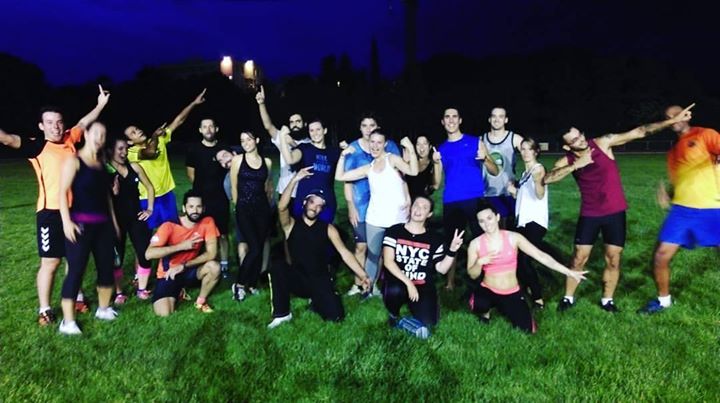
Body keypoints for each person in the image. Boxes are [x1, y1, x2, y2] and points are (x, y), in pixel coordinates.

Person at [544, 104, 695, 313]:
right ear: (567, 146)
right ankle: (568, 297)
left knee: (613, 259)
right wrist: (576, 166)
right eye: (574, 141)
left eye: (580, 135)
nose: (581, 141)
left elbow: (640, 131)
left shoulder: (603, 143)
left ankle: (607, 300)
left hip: (615, 212)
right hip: (590, 214)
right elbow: (547, 179)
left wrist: (672, 121)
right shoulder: (566, 160)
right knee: (579, 258)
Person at [0, 84, 109, 325]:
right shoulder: (36, 146)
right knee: (51, 262)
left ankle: (76, 297)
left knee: (75, 260)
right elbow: (6, 138)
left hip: (76, 211)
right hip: (49, 213)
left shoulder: (71, 137)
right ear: (41, 126)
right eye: (49, 122)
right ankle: (45, 309)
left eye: (59, 122)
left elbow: (83, 122)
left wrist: (100, 105)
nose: (56, 126)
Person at [639, 104, 719, 314]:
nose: (673, 118)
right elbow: (680, 181)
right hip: (682, 211)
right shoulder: (673, 152)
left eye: (677, 114)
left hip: (713, 208)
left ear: (687, 115)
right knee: (661, 256)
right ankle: (664, 301)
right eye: (668, 117)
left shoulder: (705, 134)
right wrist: (668, 194)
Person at [267, 168, 371, 328]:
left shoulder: (328, 229)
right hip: (298, 278)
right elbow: (281, 207)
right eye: (312, 202)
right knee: (278, 266)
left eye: (319, 205)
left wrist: (363, 275)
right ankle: (282, 314)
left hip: (319, 279)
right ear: (305, 202)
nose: (314, 207)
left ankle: (316, 302)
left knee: (336, 317)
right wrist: (295, 180)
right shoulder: (291, 225)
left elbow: (344, 253)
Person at [467, 202, 587, 333]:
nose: (486, 224)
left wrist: (568, 272)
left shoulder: (513, 238)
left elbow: (541, 256)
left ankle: (506, 305)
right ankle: (484, 311)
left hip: (510, 292)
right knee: (481, 304)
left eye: (489, 218)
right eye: (482, 221)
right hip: (488, 289)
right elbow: (472, 274)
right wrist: (479, 262)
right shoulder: (475, 244)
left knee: (527, 330)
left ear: (497, 217)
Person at [335, 132, 418, 296]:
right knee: (373, 256)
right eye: (372, 142)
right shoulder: (369, 167)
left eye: (379, 142)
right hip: (375, 219)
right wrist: (343, 156)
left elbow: (413, 171)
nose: (375, 146)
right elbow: (340, 176)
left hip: (397, 219)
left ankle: (403, 288)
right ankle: (369, 289)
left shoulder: (392, 160)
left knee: (399, 256)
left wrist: (410, 149)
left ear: (385, 144)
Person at [58, 121, 120, 335]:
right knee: (76, 271)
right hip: (80, 226)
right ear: (85, 134)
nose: (99, 138)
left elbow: (107, 198)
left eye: (103, 134)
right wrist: (66, 222)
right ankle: (68, 322)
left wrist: (114, 223)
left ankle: (104, 309)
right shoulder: (74, 161)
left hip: (103, 226)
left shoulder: (102, 164)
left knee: (106, 267)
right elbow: (62, 192)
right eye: (96, 133)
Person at [124, 89, 206, 230]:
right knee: (151, 234)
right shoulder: (132, 153)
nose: (138, 131)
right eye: (133, 133)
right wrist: (155, 136)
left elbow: (178, 121)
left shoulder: (159, 140)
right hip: (147, 198)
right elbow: (150, 153)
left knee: (172, 229)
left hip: (167, 194)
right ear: (130, 141)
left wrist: (193, 103)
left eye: (137, 129)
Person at [382, 195, 463, 335]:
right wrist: (409, 283)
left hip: (422, 285)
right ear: (411, 208)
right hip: (399, 281)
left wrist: (452, 250)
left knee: (429, 322)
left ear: (429, 214)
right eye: (416, 205)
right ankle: (394, 315)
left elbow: (442, 269)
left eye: (424, 208)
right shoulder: (394, 231)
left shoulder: (435, 238)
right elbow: (388, 261)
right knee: (395, 291)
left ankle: (404, 321)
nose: (419, 209)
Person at [437, 107, 498, 290]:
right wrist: (434, 163)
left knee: (483, 240)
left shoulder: (475, 142)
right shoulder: (441, 149)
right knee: (452, 242)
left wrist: (485, 159)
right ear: (443, 122)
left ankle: (490, 278)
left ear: (460, 120)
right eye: (447, 117)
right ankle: (450, 282)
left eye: (454, 116)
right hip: (451, 201)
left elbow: (495, 171)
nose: (451, 120)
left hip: (475, 199)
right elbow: (437, 182)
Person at [341, 115, 402, 295]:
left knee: (379, 248)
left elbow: (401, 175)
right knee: (361, 246)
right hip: (361, 206)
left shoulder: (389, 147)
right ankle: (358, 283)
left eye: (372, 125)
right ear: (360, 128)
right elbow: (346, 180)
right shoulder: (353, 149)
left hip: (383, 208)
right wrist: (351, 206)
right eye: (364, 125)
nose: (368, 129)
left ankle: (372, 282)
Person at [145, 190, 221, 316]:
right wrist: (181, 246)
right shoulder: (169, 225)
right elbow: (149, 254)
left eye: (198, 207)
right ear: (184, 208)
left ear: (203, 209)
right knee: (164, 314)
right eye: (191, 207)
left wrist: (184, 266)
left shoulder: (208, 222)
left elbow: (211, 253)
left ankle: (200, 302)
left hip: (189, 269)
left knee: (215, 267)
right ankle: (178, 291)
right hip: (169, 273)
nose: (195, 210)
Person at [107, 137, 155, 303]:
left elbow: (150, 187)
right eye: (120, 149)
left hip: (136, 217)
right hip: (115, 221)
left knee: (144, 253)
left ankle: (142, 289)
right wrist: (112, 192)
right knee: (116, 258)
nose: (124, 152)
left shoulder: (134, 167)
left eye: (126, 149)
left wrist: (149, 209)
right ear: (111, 150)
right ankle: (119, 292)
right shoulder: (106, 170)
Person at [229, 132, 273, 301]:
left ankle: (252, 284)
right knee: (253, 248)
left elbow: (268, 187)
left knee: (259, 248)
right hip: (244, 209)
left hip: (262, 210)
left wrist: (268, 207)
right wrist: (237, 207)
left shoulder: (267, 162)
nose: (245, 143)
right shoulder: (237, 160)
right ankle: (239, 284)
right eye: (242, 140)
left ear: (257, 140)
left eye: (249, 139)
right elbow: (234, 186)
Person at [506, 137, 548, 309]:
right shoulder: (524, 174)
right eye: (522, 149)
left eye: (529, 149)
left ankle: (538, 298)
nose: (525, 152)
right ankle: (529, 287)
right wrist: (513, 192)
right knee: (518, 260)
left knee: (524, 260)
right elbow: (525, 197)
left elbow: (539, 194)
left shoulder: (538, 169)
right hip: (523, 222)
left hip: (535, 222)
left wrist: (539, 182)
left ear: (536, 151)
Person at [186, 118, 231, 278]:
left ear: (216, 129)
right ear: (200, 130)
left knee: (223, 233)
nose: (208, 129)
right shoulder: (194, 149)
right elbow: (190, 175)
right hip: (202, 200)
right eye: (205, 127)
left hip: (221, 198)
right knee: (202, 233)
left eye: (211, 126)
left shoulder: (224, 148)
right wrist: (200, 193)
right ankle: (204, 262)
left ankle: (224, 264)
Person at [278, 118, 340, 223]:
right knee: (301, 230)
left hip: (327, 203)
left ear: (325, 130)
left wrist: (347, 148)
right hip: (303, 201)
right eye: (312, 130)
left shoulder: (334, 152)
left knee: (323, 231)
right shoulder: (304, 148)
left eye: (318, 129)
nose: (315, 133)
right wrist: (282, 137)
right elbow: (290, 159)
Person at [255, 85, 310, 200]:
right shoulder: (283, 137)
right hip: (285, 190)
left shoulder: (309, 142)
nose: (294, 125)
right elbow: (268, 126)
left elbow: (303, 158)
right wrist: (261, 104)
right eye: (292, 122)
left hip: (303, 192)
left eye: (298, 121)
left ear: (304, 124)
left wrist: (292, 144)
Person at [482, 107, 523, 229]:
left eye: (501, 116)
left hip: (508, 193)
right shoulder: (481, 140)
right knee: (490, 231)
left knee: (507, 232)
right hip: (488, 193)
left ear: (506, 120)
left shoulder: (515, 139)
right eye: (494, 116)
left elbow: (532, 155)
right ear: (489, 119)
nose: (497, 119)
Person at [405, 135, 442, 200]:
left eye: (425, 144)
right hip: (409, 201)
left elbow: (436, 185)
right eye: (418, 144)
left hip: (424, 202)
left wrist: (436, 162)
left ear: (430, 147)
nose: (421, 147)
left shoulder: (434, 163)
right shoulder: (410, 162)